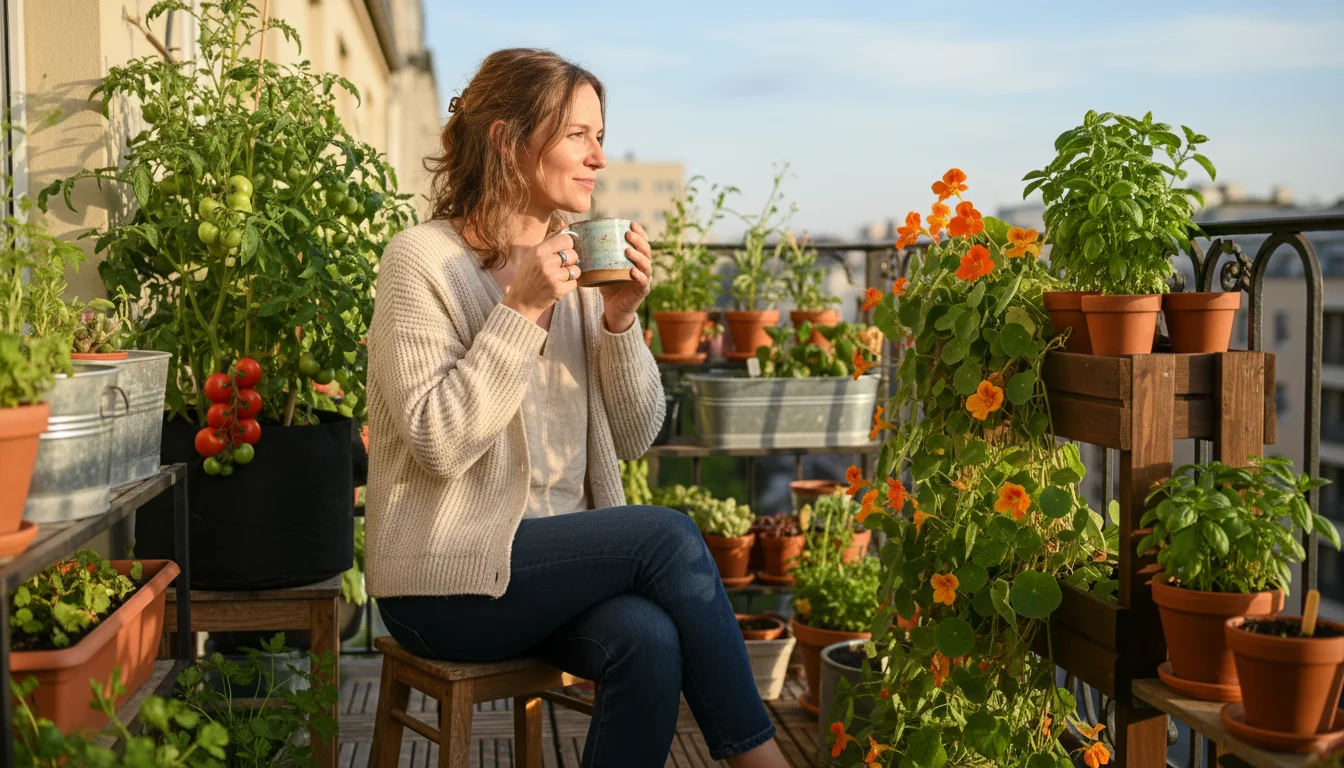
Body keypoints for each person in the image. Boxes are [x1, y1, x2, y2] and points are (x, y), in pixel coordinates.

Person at [364, 48, 791, 768]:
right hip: (443, 581)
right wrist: (521, 311)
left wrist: (621, 320)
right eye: (578, 136)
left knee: (649, 639)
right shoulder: (421, 262)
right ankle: (761, 761)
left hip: (554, 573)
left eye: (601, 134)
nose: (598, 156)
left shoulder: (581, 269)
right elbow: (437, 442)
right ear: (506, 139)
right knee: (667, 535)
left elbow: (633, 435)